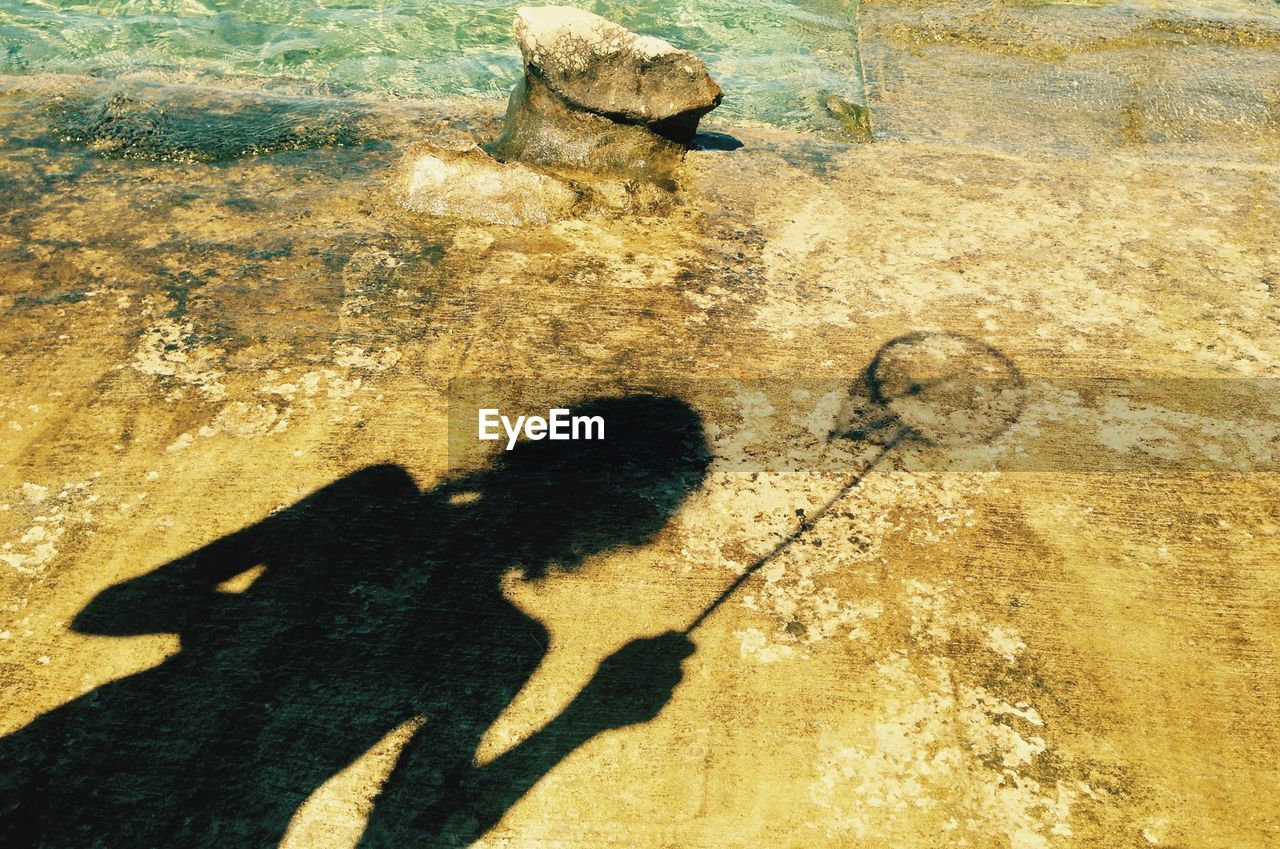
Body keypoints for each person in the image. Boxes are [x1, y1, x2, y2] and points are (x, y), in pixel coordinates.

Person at [0, 394, 711, 849]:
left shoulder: (372, 502)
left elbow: (109, 610)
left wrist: (251, 625)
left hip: (53, 761)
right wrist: (581, 721)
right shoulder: (501, 644)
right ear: (612, 527)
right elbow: (399, 836)